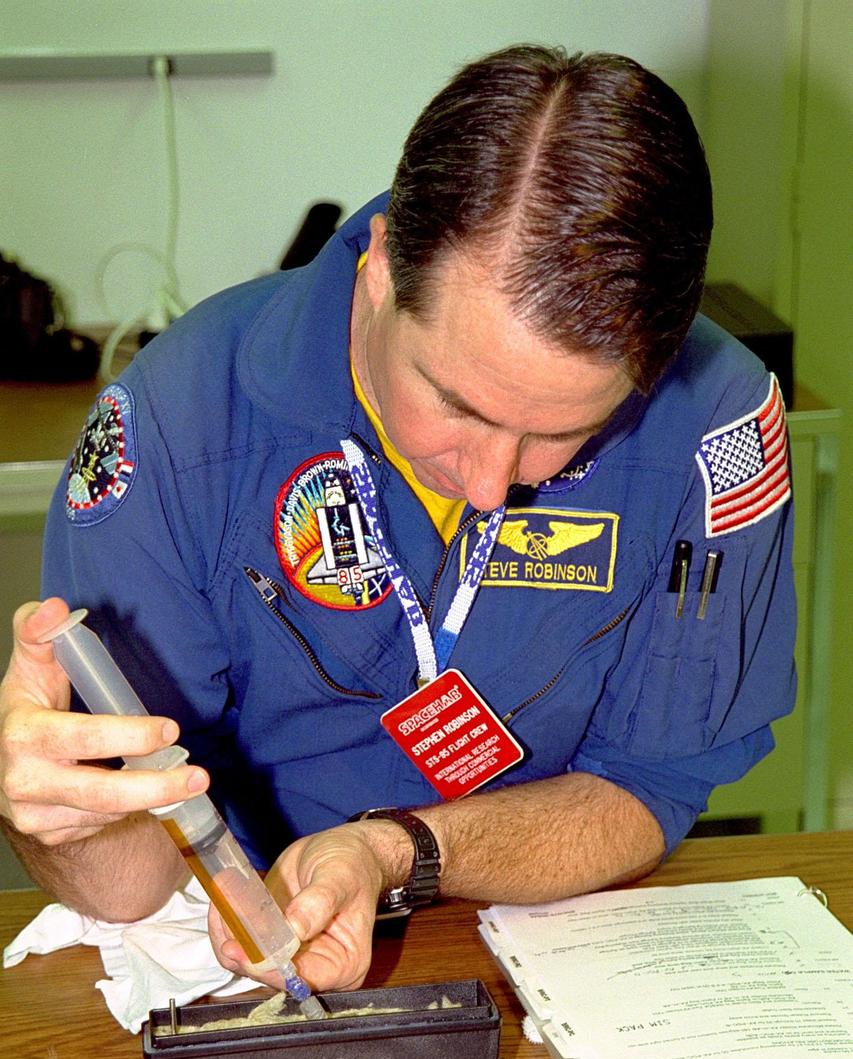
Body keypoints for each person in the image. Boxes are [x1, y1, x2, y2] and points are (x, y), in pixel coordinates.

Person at [0, 46, 795, 997]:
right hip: (240, 935)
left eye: (564, 434)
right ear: (378, 273)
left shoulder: (718, 425)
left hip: (555, 936)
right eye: (455, 404)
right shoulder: (177, 421)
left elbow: (649, 787)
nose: (495, 484)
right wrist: (55, 817)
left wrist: (392, 851)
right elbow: (131, 888)